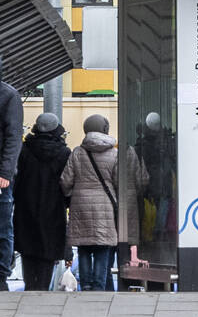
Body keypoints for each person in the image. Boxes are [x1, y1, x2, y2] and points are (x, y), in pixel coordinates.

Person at [60, 114, 120, 292]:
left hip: (80, 205)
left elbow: (65, 180)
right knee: (102, 247)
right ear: (105, 129)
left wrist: (74, 194)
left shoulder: (78, 152)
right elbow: (118, 182)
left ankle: (85, 284)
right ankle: (99, 286)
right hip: (105, 206)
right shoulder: (114, 154)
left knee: (84, 246)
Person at [13, 112, 70, 291]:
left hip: (25, 207)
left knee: (28, 250)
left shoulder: (24, 150)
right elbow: (66, 183)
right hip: (53, 209)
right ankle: (43, 288)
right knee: (48, 252)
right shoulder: (63, 152)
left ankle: (30, 287)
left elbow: (16, 179)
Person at [0, 55, 22, 289]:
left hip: (0, 179)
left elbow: (13, 137)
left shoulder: (8, 96)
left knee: (2, 227)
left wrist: (5, 172)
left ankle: (1, 274)